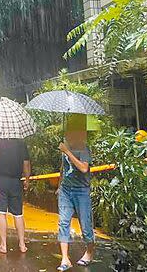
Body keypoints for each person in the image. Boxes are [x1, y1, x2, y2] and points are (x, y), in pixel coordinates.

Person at [57, 116, 95, 271]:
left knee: (86, 226)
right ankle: (65, 259)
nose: (69, 136)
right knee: (63, 223)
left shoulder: (84, 149)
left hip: (81, 191)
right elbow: (62, 167)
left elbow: (84, 168)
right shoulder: (66, 145)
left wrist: (67, 152)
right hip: (66, 190)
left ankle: (89, 252)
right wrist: (60, 185)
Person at [0, 138, 31, 253]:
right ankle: (22, 245)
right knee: (18, 214)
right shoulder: (21, 142)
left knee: (1, 213)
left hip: (0, 180)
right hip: (16, 181)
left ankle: (3, 245)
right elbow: (26, 163)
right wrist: (27, 179)